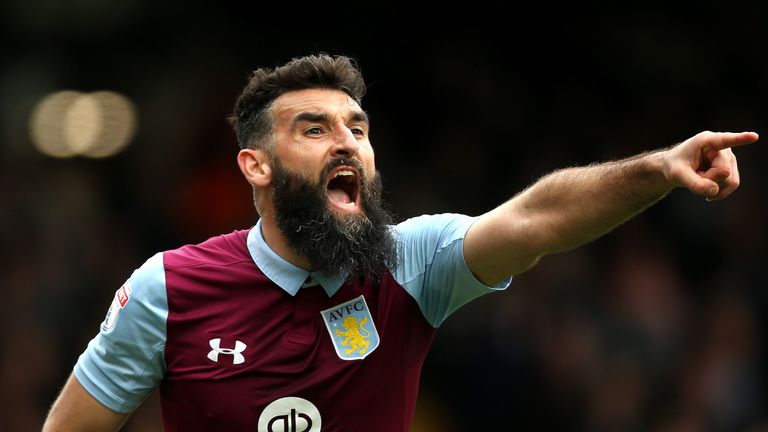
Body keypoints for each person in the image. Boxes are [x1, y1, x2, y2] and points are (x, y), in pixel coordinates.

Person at [42, 53, 758, 432]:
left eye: (358, 127)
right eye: (314, 129)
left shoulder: (410, 262)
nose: (347, 141)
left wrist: (657, 170)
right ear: (255, 165)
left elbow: (538, 219)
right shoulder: (167, 290)